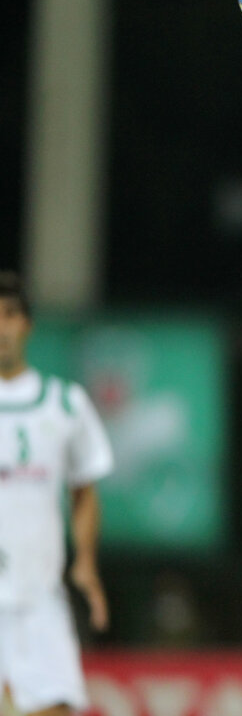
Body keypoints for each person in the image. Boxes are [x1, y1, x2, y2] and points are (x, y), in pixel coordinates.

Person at [0, 272, 113, 716]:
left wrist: (85, 561)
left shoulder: (65, 403)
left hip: (39, 597)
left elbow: (84, 489)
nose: (1, 327)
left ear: (27, 324)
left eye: (10, 315)